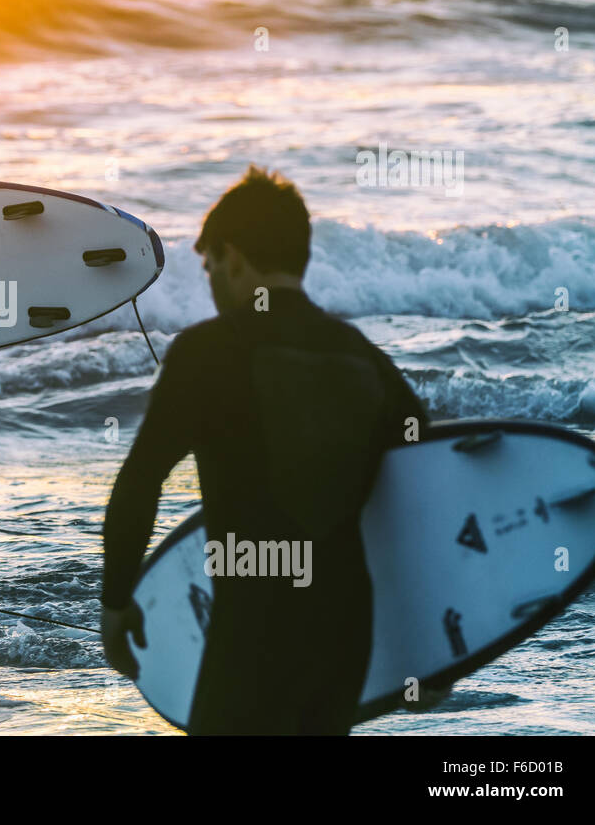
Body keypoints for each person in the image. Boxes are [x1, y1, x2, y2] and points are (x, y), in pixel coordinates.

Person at [99, 165, 429, 734]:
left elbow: (142, 479)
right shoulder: (363, 357)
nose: (211, 283)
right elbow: (422, 491)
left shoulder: (207, 352)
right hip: (344, 640)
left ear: (233, 256)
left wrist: (115, 600)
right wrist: (431, 645)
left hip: (252, 634)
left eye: (209, 266)